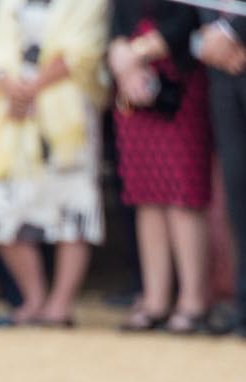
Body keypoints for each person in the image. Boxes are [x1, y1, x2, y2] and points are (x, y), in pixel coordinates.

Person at [0, 0, 109, 324]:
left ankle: (59, 304)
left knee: (72, 207)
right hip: (12, 112)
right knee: (7, 209)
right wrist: (10, 85)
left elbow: (85, 48)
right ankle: (34, 298)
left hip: (68, 113)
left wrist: (34, 87)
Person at [110, 0, 213, 331]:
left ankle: (193, 300)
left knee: (182, 191)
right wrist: (122, 62)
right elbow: (116, 18)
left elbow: (188, 17)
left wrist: (135, 53)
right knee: (145, 195)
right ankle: (155, 299)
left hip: (178, 78)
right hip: (130, 80)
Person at [202, 9, 246, 335]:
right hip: (224, 72)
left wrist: (234, 32)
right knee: (239, 198)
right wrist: (215, 37)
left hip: (231, 45)